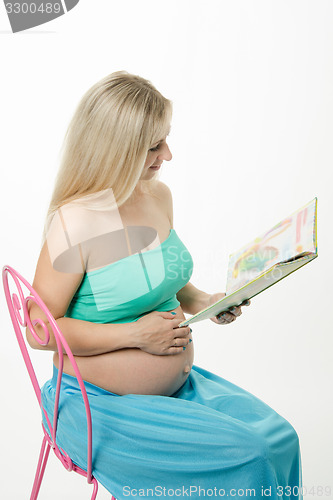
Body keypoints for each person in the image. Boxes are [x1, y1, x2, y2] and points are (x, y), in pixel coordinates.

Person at [26, 71, 302, 499]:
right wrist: (136, 335)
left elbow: (165, 279)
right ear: (114, 148)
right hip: (97, 404)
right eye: (154, 145)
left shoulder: (157, 195)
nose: (168, 154)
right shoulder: (74, 223)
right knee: (252, 454)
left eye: (166, 139)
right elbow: (39, 331)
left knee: (282, 439)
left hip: (177, 390)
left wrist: (209, 301)